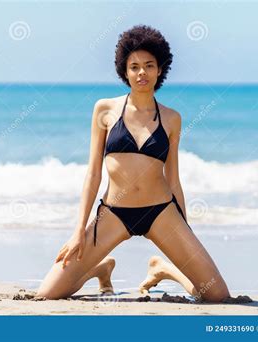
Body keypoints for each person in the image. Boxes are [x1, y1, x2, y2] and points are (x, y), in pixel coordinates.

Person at [37, 25, 230, 302]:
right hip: (114, 213)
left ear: (160, 69)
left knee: (216, 294)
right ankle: (99, 269)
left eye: (149, 66)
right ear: (124, 71)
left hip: (161, 212)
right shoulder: (104, 109)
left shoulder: (172, 118)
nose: (142, 73)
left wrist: (186, 232)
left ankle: (165, 270)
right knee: (48, 293)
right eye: (135, 67)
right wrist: (78, 231)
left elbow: (173, 178)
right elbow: (93, 174)